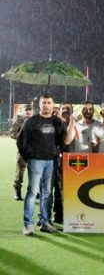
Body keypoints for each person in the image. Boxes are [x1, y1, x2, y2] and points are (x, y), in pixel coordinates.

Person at [16, 93, 75, 235]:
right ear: (40, 104)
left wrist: (71, 124)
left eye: (49, 102)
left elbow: (65, 142)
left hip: (51, 161)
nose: (46, 105)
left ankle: (45, 222)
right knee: (32, 192)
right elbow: (21, 141)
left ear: (52, 104)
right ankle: (28, 224)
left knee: (47, 193)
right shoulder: (31, 121)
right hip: (36, 161)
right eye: (44, 102)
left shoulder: (57, 122)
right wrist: (30, 156)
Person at [10, 104, 33, 200]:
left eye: (29, 110)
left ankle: (34, 192)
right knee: (20, 172)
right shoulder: (19, 121)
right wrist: (22, 136)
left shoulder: (36, 120)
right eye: (26, 110)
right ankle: (17, 191)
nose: (28, 111)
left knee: (35, 172)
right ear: (23, 111)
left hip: (34, 151)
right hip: (22, 151)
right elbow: (12, 133)